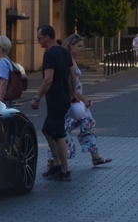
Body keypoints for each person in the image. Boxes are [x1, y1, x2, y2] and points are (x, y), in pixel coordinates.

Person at [45, 34, 112, 167]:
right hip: (71, 101)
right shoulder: (66, 59)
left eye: (83, 46)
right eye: (79, 46)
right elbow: (70, 85)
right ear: (71, 45)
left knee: (88, 125)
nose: (82, 49)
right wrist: (84, 100)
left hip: (77, 101)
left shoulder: (72, 59)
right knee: (63, 130)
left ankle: (96, 157)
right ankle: (53, 159)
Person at [31, 25, 76, 182]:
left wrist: (37, 98)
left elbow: (48, 78)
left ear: (47, 37)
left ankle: (65, 170)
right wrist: (70, 93)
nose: (38, 41)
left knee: (58, 135)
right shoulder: (64, 51)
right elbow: (73, 74)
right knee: (47, 131)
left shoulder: (50, 54)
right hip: (62, 98)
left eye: (39, 38)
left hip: (56, 99)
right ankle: (56, 164)